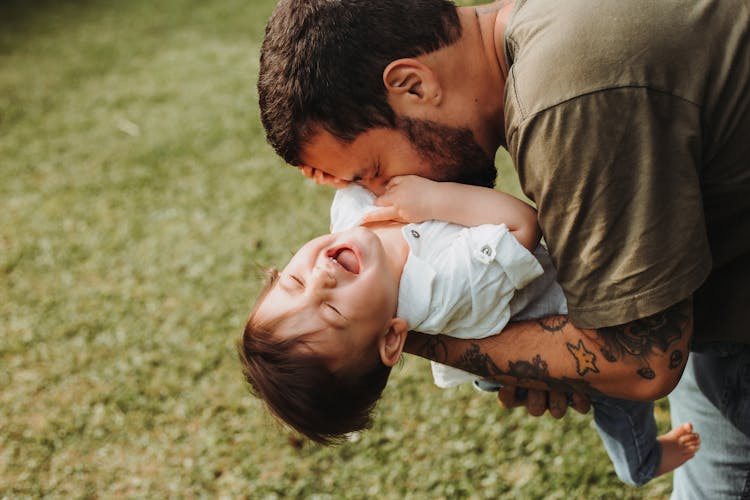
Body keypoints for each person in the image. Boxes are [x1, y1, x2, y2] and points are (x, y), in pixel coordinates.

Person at [256, 0, 750, 497]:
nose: (382, 189)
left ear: (414, 84)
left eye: (373, 170)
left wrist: (396, 333)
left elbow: (644, 363)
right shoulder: (544, 29)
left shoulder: (567, 97)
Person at [239, 177, 699, 485]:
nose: (319, 278)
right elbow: (523, 226)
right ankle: (642, 461)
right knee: (615, 396)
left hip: (508, 329)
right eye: (333, 311)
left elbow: (356, 183)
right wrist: (434, 199)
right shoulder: (444, 290)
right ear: (392, 338)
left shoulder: (348, 226)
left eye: (294, 282)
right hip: (573, 321)